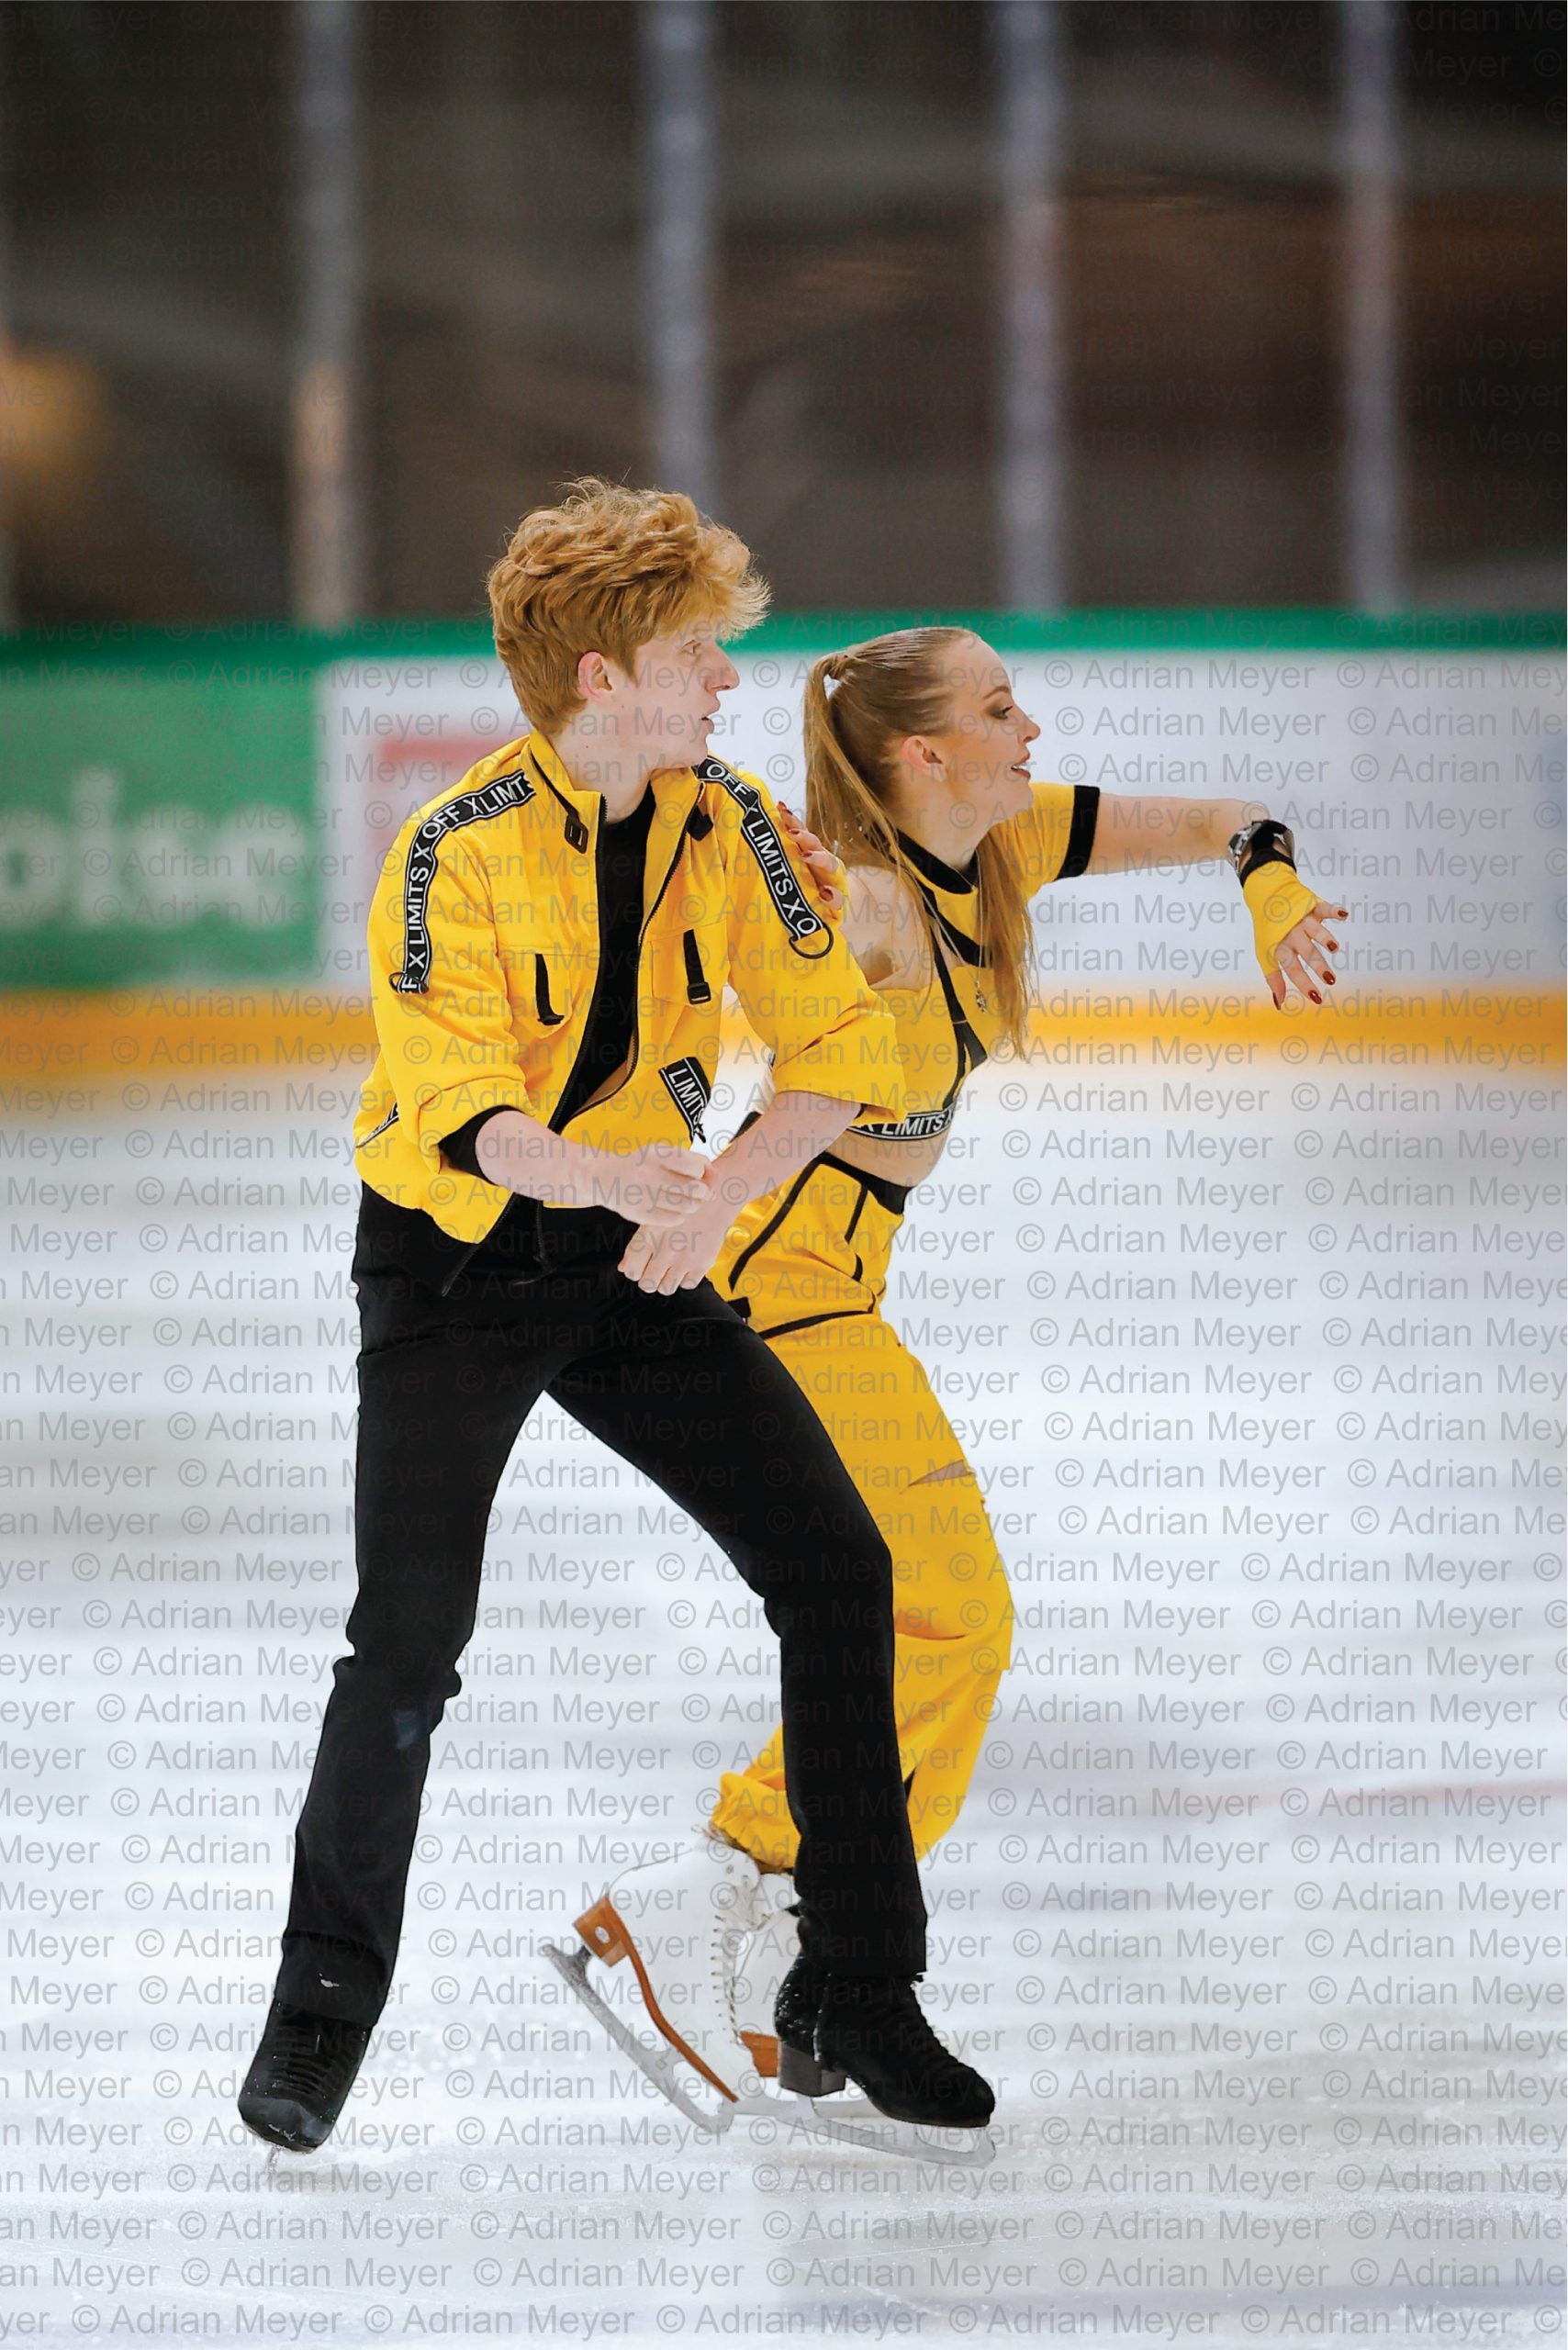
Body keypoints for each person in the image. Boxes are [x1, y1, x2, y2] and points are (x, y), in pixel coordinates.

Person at [237, 487, 995, 2155]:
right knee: (409, 1643)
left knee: (842, 1568)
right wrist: (617, 1183)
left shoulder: (721, 825)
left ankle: (865, 1996)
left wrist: (713, 1200)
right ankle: (318, 2013)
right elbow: (466, 1119)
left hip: (643, 1250)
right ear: (599, 677)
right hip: (453, 1270)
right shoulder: (454, 849)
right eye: (693, 651)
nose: (729, 678)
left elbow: (837, 1054)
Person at [588, 623, 1345, 2090]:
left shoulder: (1007, 842)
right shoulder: (866, 901)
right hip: (778, 1290)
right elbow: (752, 930)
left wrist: (1271, 886)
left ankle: (804, 1942)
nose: (1034, 731)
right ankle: (744, 1890)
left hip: (840, 1288)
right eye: (1000, 709)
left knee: (919, 1619)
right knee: (954, 1619)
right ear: (921, 752)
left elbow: (1230, 817)